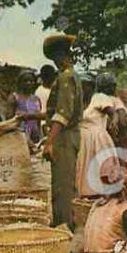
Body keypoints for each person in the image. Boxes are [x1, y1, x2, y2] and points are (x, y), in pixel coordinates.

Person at [42, 34, 83, 228]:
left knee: (62, 189)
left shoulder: (66, 77)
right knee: (66, 186)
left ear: (60, 55)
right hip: (68, 136)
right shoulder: (69, 76)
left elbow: (62, 114)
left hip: (64, 138)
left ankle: (63, 231)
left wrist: (50, 142)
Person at [76, 72, 127, 197]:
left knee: (102, 169)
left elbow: (114, 113)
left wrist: (113, 123)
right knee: (84, 171)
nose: (84, 88)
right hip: (82, 141)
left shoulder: (99, 98)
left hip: (98, 140)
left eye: (86, 85)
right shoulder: (76, 102)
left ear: (92, 86)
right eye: (81, 85)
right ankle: (87, 196)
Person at [8, 70, 44, 148]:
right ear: (20, 82)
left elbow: (38, 121)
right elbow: (9, 120)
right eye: (25, 81)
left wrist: (40, 136)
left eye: (31, 81)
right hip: (20, 137)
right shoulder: (14, 98)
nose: (29, 83)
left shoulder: (36, 99)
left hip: (35, 136)